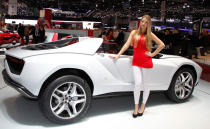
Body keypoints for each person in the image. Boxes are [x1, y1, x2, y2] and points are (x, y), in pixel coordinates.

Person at [109, 15, 165, 118]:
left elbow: (162, 44)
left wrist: (152, 54)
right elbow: (126, 44)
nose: (143, 23)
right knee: (138, 84)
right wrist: (118, 55)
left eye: (146, 22)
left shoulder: (150, 34)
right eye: (142, 21)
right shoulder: (134, 32)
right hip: (136, 61)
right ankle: (135, 107)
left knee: (146, 85)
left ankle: (143, 105)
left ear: (148, 24)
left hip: (146, 61)